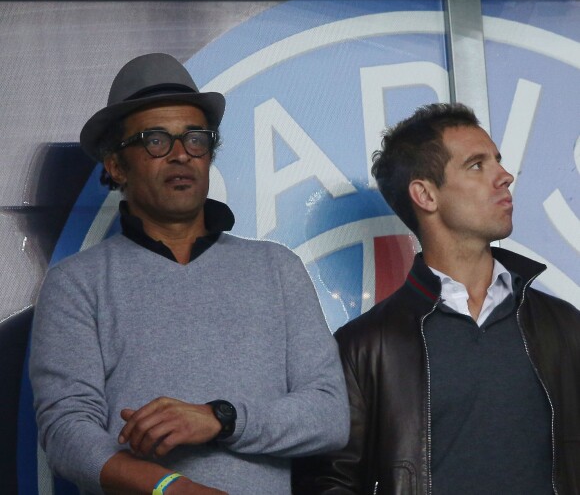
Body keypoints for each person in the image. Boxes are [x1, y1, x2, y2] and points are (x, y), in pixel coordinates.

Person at [30, 53, 349, 495]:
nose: (181, 154)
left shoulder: (277, 269)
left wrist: (219, 418)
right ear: (116, 165)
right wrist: (170, 488)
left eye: (195, 138)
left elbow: (329, 416)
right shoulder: (77, 283)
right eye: (155, 140)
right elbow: (66, 432)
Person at [293, 103, 580, 494]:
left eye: (498, 161)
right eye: (477, 165)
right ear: (426, 194)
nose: (505, 176)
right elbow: (331, 482)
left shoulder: (564, 326)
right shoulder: (364, 346)